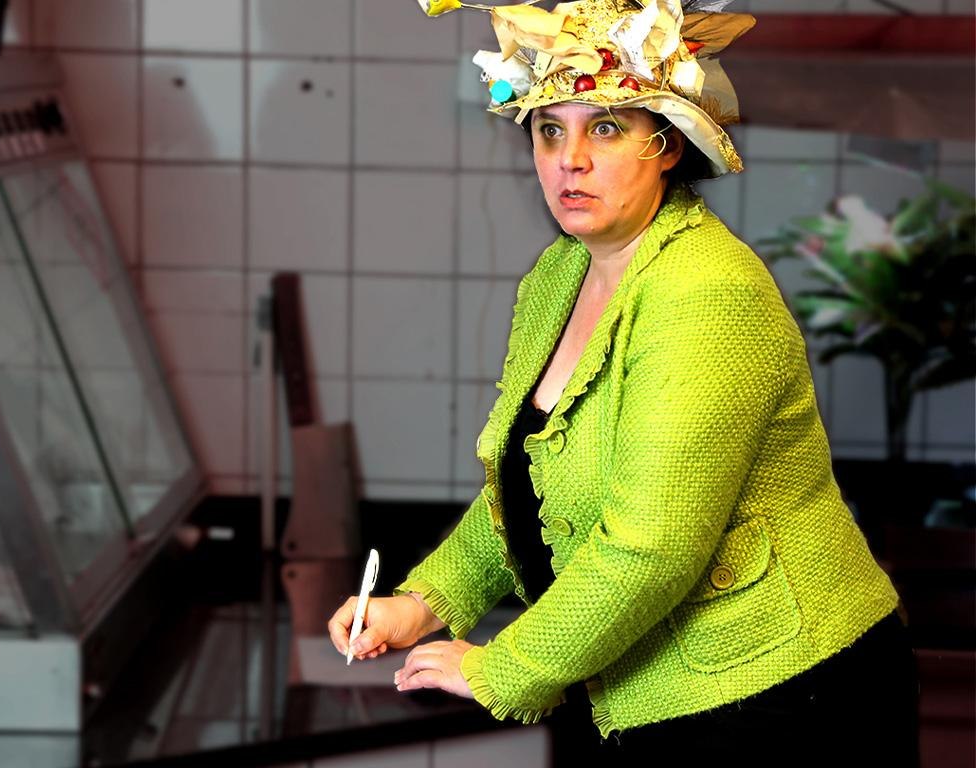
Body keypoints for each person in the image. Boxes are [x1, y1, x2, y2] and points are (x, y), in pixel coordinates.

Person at [328, 0, 920, 763]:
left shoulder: (706, 292)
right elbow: (530, 484)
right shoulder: (560, 276)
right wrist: (422, 603)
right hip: (634, 685)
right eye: (550, 130)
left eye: (604, 128)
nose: (569, 159)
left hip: (776, 694)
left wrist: (504, 666)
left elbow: (654, 547)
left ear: (666, 145)